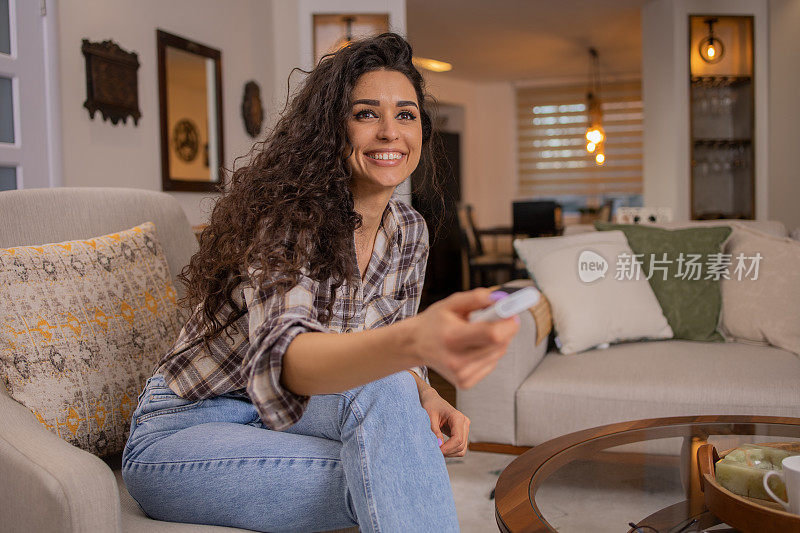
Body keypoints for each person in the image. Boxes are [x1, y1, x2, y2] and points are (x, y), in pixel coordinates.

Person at [121, 32, 519, 533]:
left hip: (294, 416)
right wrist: (415, 343)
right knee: (401, 470)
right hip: (190, 430)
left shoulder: (409, 232)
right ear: (332, 128)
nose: (390, 132)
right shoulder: (288, 218)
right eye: (366, 113)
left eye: (406, 114)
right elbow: (286, 362)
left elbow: (388, 364)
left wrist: (427, 391)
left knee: (397, 432)